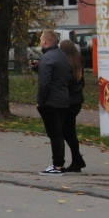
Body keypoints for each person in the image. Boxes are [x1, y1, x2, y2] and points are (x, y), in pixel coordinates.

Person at [35, 30, 72, 174]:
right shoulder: (61, 55)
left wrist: (40, 101)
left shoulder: (47, 58)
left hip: (51, 102)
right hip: (63, 99)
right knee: (59, 133)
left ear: (45, 41)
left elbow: (44, 83)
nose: (40, 42)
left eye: (40, 39)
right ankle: (59, 164)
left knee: (54, 134)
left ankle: (57, 165)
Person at [58, 40, 86, 173]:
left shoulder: (65, 65)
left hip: (67, 102)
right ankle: (77, 159)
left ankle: (77, 160)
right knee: (68, 131)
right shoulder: (78, 62)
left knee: (67, 132)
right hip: (76, 102)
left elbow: (64, 83)